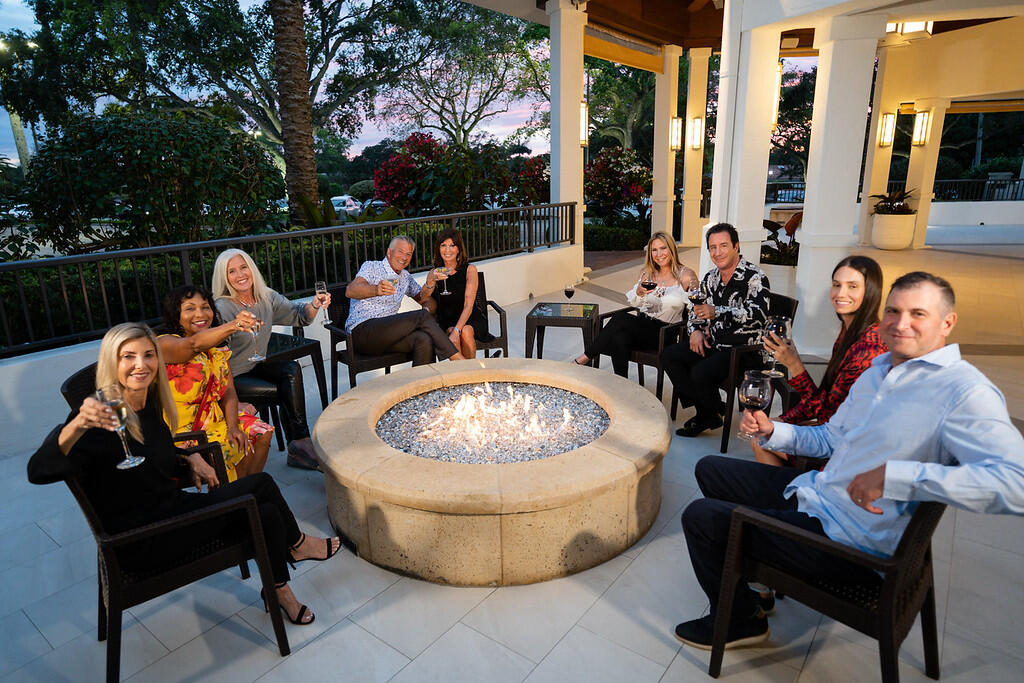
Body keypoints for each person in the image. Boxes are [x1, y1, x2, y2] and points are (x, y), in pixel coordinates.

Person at [674, 272, 1024, 651]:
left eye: (918, 313)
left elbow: (1014, 482)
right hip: (820, 494)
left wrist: (897, 476)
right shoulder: (878, 373)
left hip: (847, 543)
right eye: (893, 310)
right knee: (709, 468)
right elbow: (830, 437)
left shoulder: (963, 392)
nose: (900, 323)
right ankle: (752, 588)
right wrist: (773, 430)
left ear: (947, 322)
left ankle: (739, 621)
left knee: (702, 518)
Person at [27, 323, 341, 626]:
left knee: (269, 511)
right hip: (145, 539)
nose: (141, 365)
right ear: (112, 363)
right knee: (261, 488)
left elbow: (151, 450)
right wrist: (78, 423)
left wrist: (188, 458)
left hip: (171, 511)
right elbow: (38, 470)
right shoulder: (98, 419)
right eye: (128, 357)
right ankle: (295, 547)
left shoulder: (146, 402)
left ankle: (279, 590)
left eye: (148, 354)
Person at [754, 255, 887, 466]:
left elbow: (825, 414)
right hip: (833, 429)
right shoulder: (849, 333)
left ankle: (794, 495)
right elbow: (824, 400)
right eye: (836, 285)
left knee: (762, 440)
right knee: (766, 430)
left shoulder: (868, 349)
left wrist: (794, 365)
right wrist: (783, 420)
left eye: (852, 286)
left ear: (871, 291)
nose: (841, 293)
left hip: (844, 451)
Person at [212, 248, 329, 471]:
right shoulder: (222, 308)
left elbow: (299, 315)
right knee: (284, 391)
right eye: (232, 272)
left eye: (243, 267)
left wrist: (315, 304)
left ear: (251, 269)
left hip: (254, 366)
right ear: (224, 278)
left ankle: (300, 442)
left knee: (291, 370)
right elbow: (215, 356)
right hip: (230, 378)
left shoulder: (266, 296)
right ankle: (299, 447)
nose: (240, 275)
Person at [660, 223, 771, 437]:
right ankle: (709, 409)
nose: (717, 252)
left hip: (746, 350)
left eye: (723, 246)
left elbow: (758, 315)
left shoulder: (755, 277)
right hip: (716, 344)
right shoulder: (711, 278)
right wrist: (695, 331)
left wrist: (717, 312)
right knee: (670, 356)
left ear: (736, 246)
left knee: (700, 371)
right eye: (712, 247)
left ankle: (707, 412)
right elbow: (696, 309)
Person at [158, 284, 275, 481]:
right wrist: (234, 325)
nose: (200, 314)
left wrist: (233, 426)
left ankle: (244, 490)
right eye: (190, 308)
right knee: (226, 449)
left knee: (262, 433)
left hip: (215, 420)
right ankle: (234, 496)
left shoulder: (217, 348)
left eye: (205, 307)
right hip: (179, 432)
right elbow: (193, 345)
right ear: (175, 314)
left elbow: (228, 390)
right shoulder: (165, 343)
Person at [573, 231, 698, 376]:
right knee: (618, 338)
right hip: (643, 327)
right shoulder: (647, 273)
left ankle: (583, 359)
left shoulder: (686, 275)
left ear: (672, 249)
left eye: (663, 248)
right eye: (654, 250)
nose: (659, 254)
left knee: (620, 318)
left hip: (665, 333)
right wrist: (639, 292)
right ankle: (622, 386)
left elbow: (697, 306)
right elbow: (637, 303)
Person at [345, 235, 466, 365]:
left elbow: (424, 299)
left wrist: (430, 282)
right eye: (400, 251)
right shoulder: (372, 267)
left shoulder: (405, 277)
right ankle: (460, 362)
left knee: (423, 339)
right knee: (421, 317)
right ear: (389, 252)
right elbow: (350, 290)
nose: (404, 257)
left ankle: (424, 384)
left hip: (387, 335)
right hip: (363, 334)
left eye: (408, 254)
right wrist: (376, 289)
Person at [430, 228, 494, 358]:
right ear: (438, 249)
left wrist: (457, 330)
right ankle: (472, 375)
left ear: (459, 249)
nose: (447, 250)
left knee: (464, 331)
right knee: (450, 331)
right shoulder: (435, 272)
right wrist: (430, 280)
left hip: (471, 317)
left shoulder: (470, 269)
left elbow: (469, 305)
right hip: (448, 320)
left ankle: (466, 375)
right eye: (443, 245)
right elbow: (423, 298)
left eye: (452, 245)